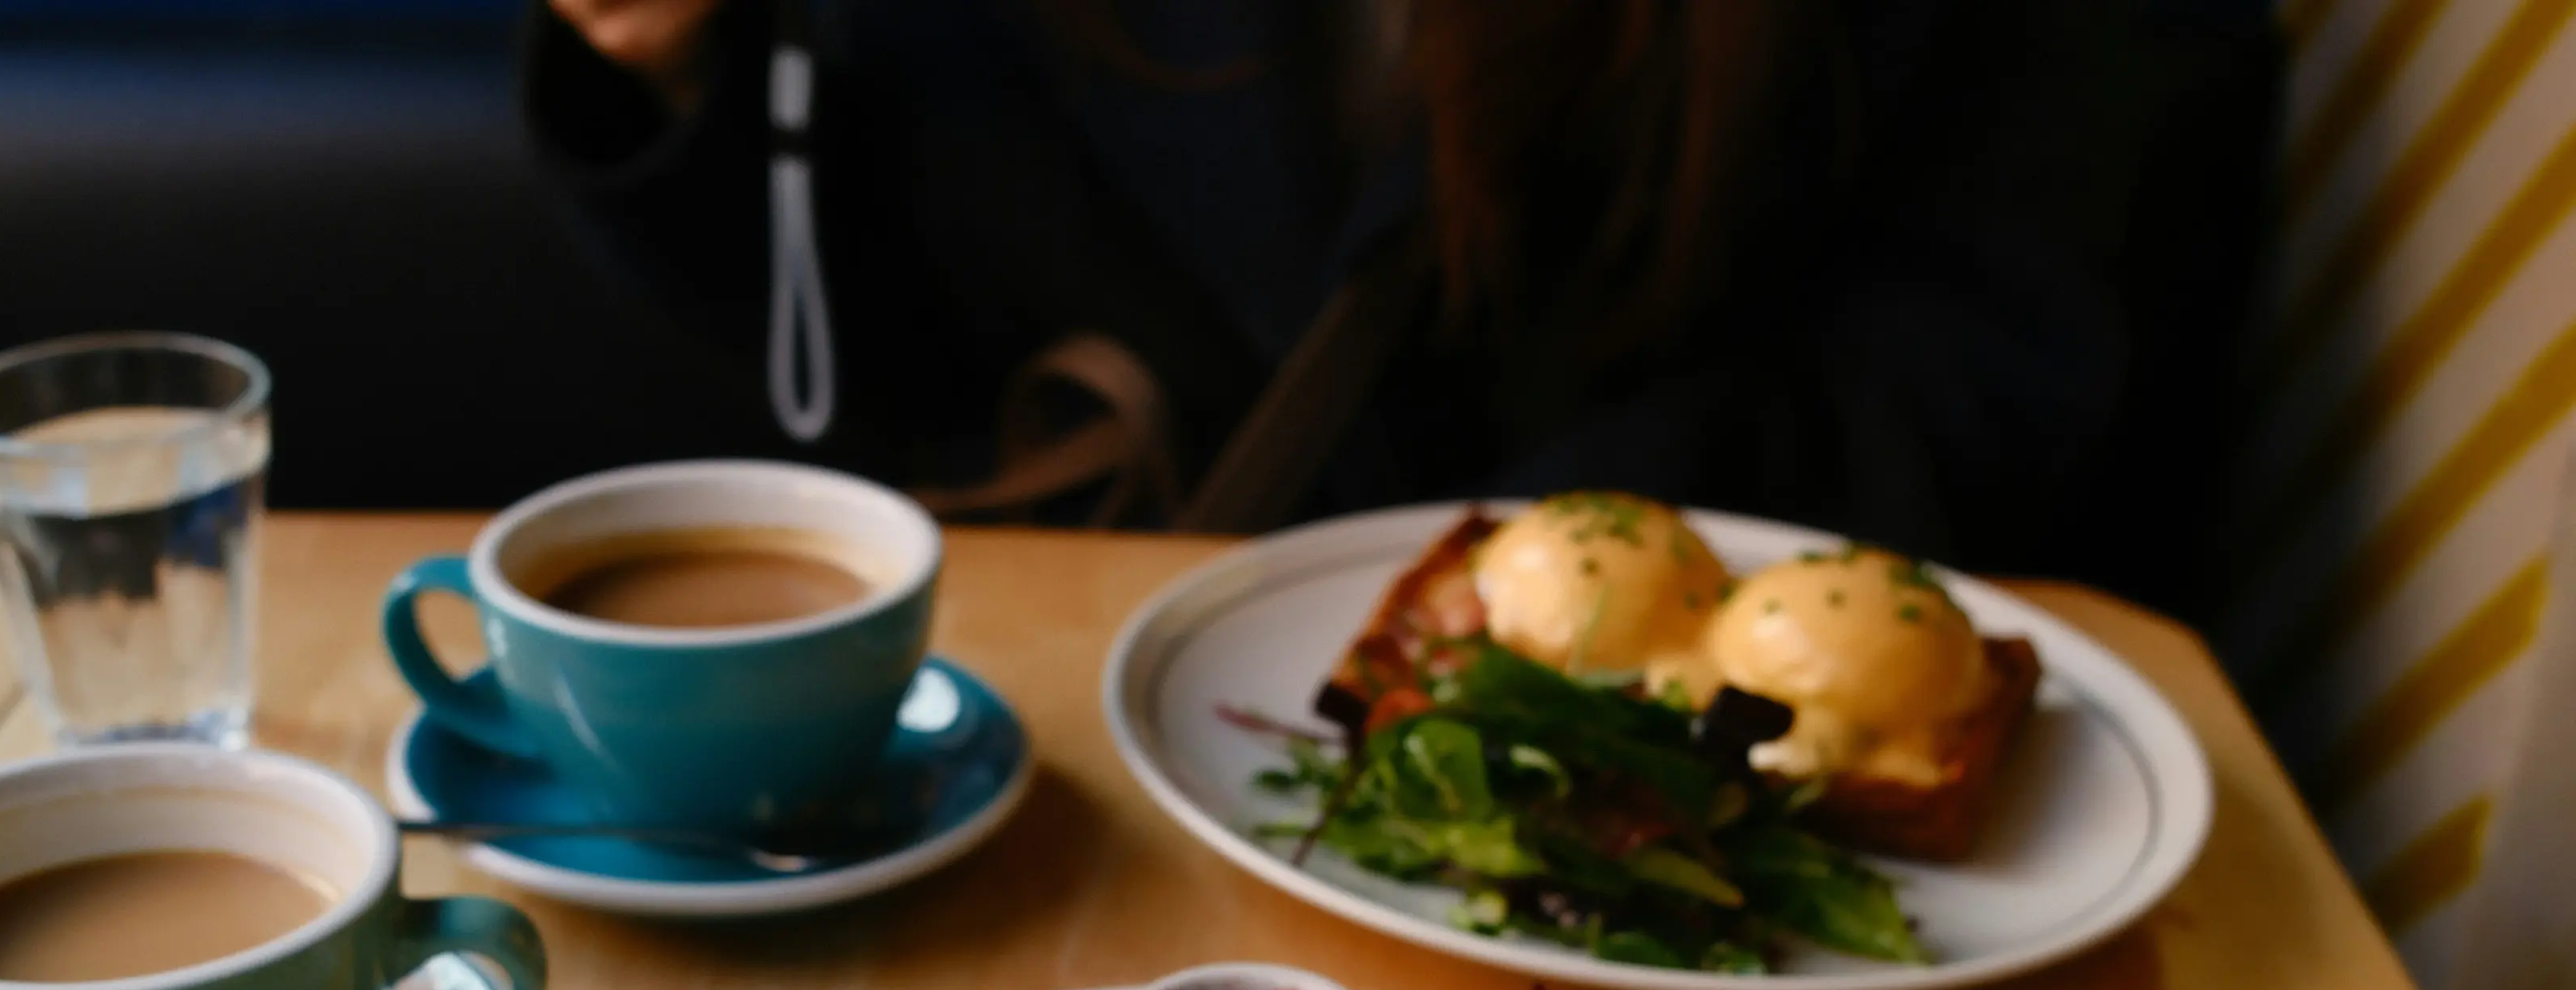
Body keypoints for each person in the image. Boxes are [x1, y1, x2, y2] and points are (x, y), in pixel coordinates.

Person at [520, 0, 2167, 569]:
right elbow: (896, 338)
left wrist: (1513, 581)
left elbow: (1992, 356)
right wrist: (679, 70)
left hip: (1671, 748)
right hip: (1102, 715)